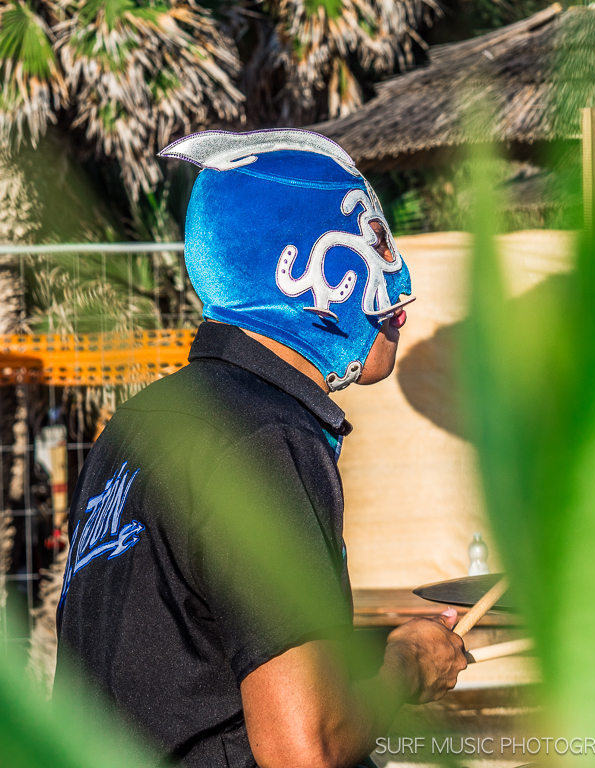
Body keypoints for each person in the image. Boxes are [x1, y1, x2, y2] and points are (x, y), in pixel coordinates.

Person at [53, 129, 467, 768]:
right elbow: (305, 748)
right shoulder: (267, 437)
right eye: (377, 242)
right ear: (300, 269)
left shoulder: (137, 425)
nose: (403, 286)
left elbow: (184, 658)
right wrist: (409, 666)